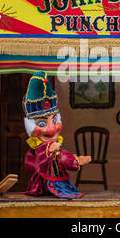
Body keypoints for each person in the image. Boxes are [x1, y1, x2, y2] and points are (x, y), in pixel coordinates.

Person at [22, 71, 91, 199]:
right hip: (43, 182)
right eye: (42, 123)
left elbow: (64, 158)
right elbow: (34, 164)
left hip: (58, 180)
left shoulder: (55, 146)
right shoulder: (39, 150)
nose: (52, 130)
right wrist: (48, 152)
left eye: (54, 121)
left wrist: (76, 161)